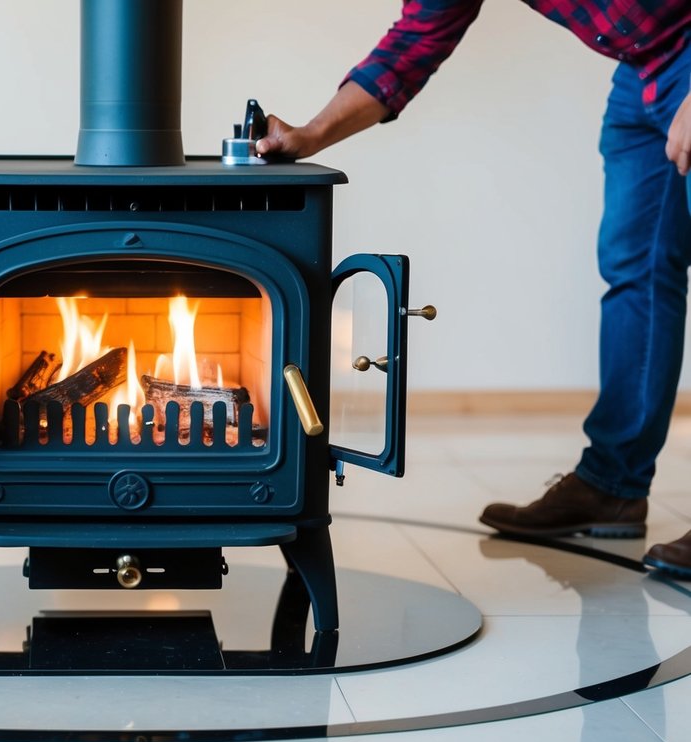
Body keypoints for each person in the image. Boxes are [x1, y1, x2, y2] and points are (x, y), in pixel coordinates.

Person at [256, 1, 691, 575]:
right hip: (646, 71)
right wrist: (312, 134)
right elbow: (414, 42)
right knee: (636, 269)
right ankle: (613, 483)